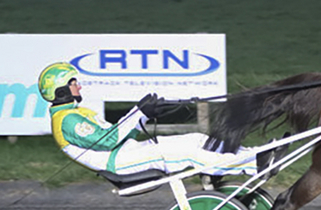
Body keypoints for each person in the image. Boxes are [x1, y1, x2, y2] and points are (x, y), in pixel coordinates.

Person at [38, 62, 257, 177]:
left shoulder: (76, 113)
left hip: (128, 151)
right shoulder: (66, 121)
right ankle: (250, 166)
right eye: (74, 83)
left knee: (196, 139)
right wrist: (138, 112)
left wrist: (145, 115)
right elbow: (107, 141)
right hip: (120, 164)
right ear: (61, 90)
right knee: (186, 154)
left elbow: (120, 134)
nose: (79, 86)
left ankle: (251, 154)